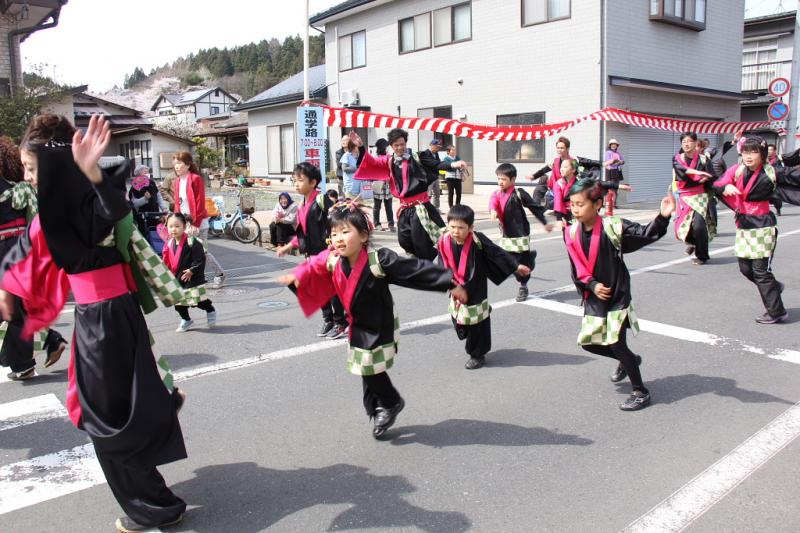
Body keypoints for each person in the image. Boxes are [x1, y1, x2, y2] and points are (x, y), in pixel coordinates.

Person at [0, 114, 187, 532]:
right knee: (108, 408)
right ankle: (158, 411)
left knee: (104, 419)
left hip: (104, 318)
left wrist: (90, 174)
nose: (28, 178)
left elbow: (110, 208)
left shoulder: (83, 197)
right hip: (104, 315)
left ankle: (154, 505)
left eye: (32, 169)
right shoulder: (61, 202)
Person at [279, 200, 467, 438]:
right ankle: (378, 408)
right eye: (334, 233)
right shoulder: (334, 260)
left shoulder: (379, 261)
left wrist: (448, 282)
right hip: (357, 325)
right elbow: (313, 268)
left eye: (346, 232)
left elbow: (414, 270)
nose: (338, 238)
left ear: (364, 235)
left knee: (368, 367)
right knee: (364, 368)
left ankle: (391, 402)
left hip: (380, 324)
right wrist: (296, 280)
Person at [564, 178, 675, 411]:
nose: (574, 209)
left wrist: (663, 217)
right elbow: (576, 267)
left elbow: (645, 234)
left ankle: (640, 391)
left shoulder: (613, 227)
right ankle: (630, 361)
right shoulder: (570, 232)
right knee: (589, 343)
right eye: (572, 204)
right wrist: (591, 285)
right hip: (594, 297)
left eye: (580, 204)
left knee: (616, 342)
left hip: (617, 296)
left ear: (597, 204)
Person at [0, 134, 67, 380]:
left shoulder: (18, 189)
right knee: (19, 306)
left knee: (13, 309)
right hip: (22, 247)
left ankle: (23, 361)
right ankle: (49, 341)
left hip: (8, 252)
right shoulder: (20, 189)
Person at [439, 204, 529, 369]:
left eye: (461, 227)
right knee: (459, 320)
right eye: (452, 227)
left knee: (477, 324)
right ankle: (474, 327)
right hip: (455, 288)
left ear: (471, 227)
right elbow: (441, 263)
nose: (456, 231)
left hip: (475, 287)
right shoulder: (444, 241)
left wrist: (515, 266)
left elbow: (496, 252)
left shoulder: (477, 240)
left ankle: (477, 354)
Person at [354, 128, 467, 260]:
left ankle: (428, 265)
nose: (400, 147)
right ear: (391, 146)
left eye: (402, 144)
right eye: (396, 145)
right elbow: (370, 162)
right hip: (405, 208)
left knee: (420, 241)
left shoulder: (417, 156)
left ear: (406, 143)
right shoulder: (389, 161)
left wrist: (454, 164)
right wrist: (361, 147)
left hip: (420, 206)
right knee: (404, 240)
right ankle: (428, 259)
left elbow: (436, 164)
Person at [712, 136, 790, 324]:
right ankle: (774, 287)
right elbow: (716, 185)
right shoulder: (736, 170)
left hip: (764, 226)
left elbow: (794, 178)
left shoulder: (773, 172)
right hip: (744, 226)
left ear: (762, 154)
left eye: (753, 151)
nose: (748, 156)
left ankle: (776, 311)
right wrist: (725, 187)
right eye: (745, 151)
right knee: (746, 269)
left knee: (761, 271)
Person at [276, 162, 349, 339]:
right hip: (312, 255)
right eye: (294, 180)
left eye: (300, 180)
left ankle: (341, 322)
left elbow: (336, 219)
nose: (296, 184)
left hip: (327, 253)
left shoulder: (320, 199)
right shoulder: (301, 205)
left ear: (313, 182)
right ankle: (329, 319)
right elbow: (304, 234)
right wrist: (288, 246)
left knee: (330, 289)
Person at [489, 163, 552, 302]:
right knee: (509, 263)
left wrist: (545, 222)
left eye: (503, 179)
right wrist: (493, 211)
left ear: (513, 180)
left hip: (521, 233)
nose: (500, 182)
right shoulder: (497, 193)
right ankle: (530, 259)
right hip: (506, 234)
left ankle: (523, 286)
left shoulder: (519, 193)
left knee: (520, 264)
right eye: (499, 178)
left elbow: (535, 207)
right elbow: (493, 202)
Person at [172, 151, 226, 288]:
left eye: (179, 163)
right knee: (187, 252)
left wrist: (195, 223)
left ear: (188, 164)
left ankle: (219, 273)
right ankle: (196, 279)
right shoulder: (177, 181)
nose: (176, 166)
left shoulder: (195, 179)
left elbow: (199, 203)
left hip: (199, 223)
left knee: (202, 251)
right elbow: (178, 204)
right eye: (175, 164)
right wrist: (174, 221)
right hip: (184, 223)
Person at [163, 212, 217, 332]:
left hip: (192, 278)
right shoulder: (169, 243)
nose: (173, 229)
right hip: (177, 278)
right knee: (178, 303)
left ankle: (210, 310)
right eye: (171, 226)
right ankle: (186, 319)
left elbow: (200, 258)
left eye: (177, 226)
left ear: (184, 226)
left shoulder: (192, 241)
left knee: (197, 300)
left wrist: (192, 270)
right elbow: (166, 261)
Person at [672, 132, 716, 265]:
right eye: (684, 141)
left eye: (689, 141)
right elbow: (681, 170)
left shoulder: (703, 159)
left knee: (699, 226)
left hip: (700, 196)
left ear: (696, 143)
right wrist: (698, 173)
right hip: (684, 196)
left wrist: (706, 178)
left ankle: (702, 255)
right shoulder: (677, 158)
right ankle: (693, 243)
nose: (686, 144)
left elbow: (712, 175)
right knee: (684, 227)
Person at [527, 136, 602, 207]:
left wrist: (602, 164)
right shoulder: (555, 161)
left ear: (567, 149)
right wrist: (534, 176)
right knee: (539, 189)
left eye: (562, 148)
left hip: (567, 191)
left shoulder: (573, 161)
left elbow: (587, 163)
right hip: (554, 189)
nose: (559, 150)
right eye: (558, 148)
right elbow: (544, 170)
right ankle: (537, 210)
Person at [372, 138, 395, 232]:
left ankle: (391, 224)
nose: (388, 148)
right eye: (386, 146)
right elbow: (373, 171)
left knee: (388, 206)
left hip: (387, 184)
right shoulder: (375, 157)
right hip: (378, 184)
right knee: (377, 206)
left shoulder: (389, 156)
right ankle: (377, 224)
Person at [421, 139, 447, 210]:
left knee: (437, 194)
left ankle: (436, 209)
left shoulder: (436, 154)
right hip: (429, 178)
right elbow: (434, 164)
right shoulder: (425, 153)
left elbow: (438, 164)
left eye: (439, 147)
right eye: (437, 146)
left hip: (436, 177)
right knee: (428, 194)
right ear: (432, 145)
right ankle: (427, 209)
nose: (438, 148)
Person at [603, 139, 625, 212]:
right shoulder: (608, 153)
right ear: (610, 145)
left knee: (616, 188)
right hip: (610, 171)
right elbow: (609, 162)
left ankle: (614, 204)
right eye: (612, 144)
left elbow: (622, 161)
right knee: (610, 188)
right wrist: (617, 162)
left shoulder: (618, 153)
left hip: (617, 171)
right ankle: (608, 203)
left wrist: (620, 162)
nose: (614, 145)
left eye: (615, 144)